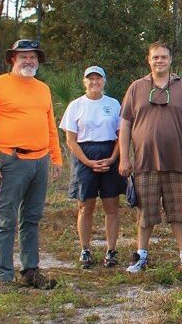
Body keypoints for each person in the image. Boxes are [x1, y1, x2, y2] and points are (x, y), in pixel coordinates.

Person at [0, 39, 62, 288]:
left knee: (32, 218)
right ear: (13, 59)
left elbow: (50, 125)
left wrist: (56, 157)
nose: (29, 60)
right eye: (23, 56)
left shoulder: (42, 88)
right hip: (10, 161)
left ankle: (30, 271)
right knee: (6, 220)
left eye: (33, 56)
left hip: (40, 161)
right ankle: (3, 276)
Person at [118, 41, 182, 274]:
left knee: (179, 212)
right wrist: (124, 157)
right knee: (145, 213)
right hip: (144, 162)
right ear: (149, 60)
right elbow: (125, 123)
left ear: (170, 60)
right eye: (155, 57)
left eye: (163, 57)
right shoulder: (136, 88)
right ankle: (140, 256)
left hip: (177, 162)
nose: (159, 61)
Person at [59, 66, 125, 269]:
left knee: (111, 207)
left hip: (109, 153)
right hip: (84, 156)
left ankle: (111, 250)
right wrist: (87, 161)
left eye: (98, 78)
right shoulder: (76, 105)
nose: (94, 82)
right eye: (90, 79)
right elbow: (71, 139)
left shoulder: (113, 104)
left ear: (104, 81)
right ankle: (85, 249)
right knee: (85, 207)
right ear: (84, 82)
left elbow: (122, 134)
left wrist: (113, 158)